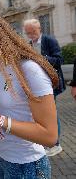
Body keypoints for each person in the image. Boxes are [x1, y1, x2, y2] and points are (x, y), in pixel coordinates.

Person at [0, 11, 58, 178]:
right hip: (5, 159)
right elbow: (9, 103)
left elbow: (49, 135)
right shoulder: (5, 67)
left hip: (28, 166)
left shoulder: (30, 70)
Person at [24, 19, 65, 156]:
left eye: (33, 31)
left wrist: (41, 58)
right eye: (28, 33)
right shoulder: (29, 43)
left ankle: (55, 144)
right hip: (37, 84)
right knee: (41, 114)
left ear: (39, 29)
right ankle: (46, 141)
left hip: (51, 83)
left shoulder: (49, 40)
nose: (30, 35)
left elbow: (59, 60)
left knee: (51, 114)